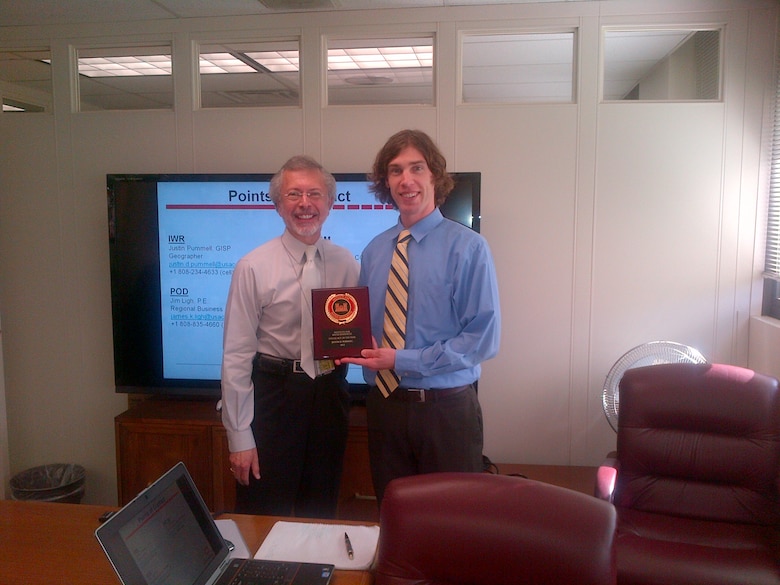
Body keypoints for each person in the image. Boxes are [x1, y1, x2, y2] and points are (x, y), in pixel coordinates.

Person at [340, 129, 501, 505]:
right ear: (386, 182)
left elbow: (482, 340)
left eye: (416, 168)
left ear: (434, 176)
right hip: (385, 408)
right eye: (395, 171)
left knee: (453, 524)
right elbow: (366, 332)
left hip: (445, 412)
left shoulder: (469, 248)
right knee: (395, 516)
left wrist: (401, 360)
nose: (406, 180)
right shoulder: (376, 250)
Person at [221, 155, 359, 518]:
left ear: (329, 203)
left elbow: (351, 333)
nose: (305, 204)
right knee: (264, 511)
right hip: (274, 397)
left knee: (321, 511)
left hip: (330, 395)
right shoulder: (253, 266)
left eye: (314, 194)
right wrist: (239, 436)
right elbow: (236, 355)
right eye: (293, 194)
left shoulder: (347, 263)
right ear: (278, 205)